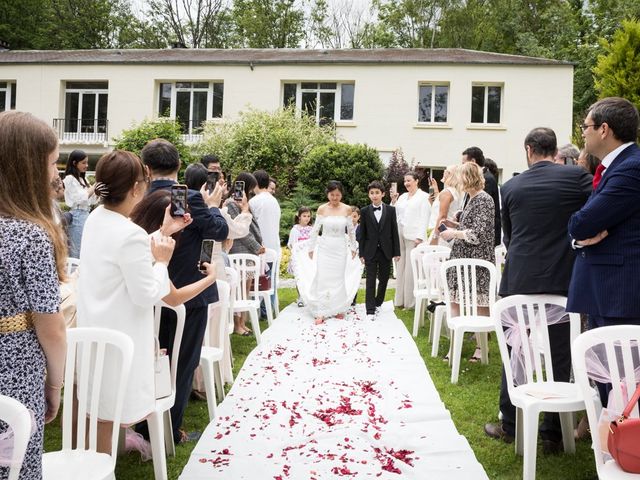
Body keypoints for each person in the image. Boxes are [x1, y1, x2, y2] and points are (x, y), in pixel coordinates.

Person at [77, 150, 200, 453]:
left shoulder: (96, 218)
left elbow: (124, 251)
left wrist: (164, 231)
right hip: (120, 336)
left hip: (95, 328)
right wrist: (162, 261)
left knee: (98, 410)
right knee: (107, 414)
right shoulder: (128, 232)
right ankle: (101, 472)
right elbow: (147, 294)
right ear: (136, 187)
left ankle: (94, 466)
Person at [483, 127, 592, 452]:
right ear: (553, 149)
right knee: (560, 352)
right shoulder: (578, 180)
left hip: (520, 282)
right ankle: (553, 433)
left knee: (515, 352)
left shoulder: (511, 185)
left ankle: (510, 423)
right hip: (562, 279)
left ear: (529, 149)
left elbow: (510, 237)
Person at [142, 139, 228, 444]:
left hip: (147, 292)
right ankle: (169, 431)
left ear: (147, 169)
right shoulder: (191, 198)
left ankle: (142, 425)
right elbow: (220, 231)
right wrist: (214, 207)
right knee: (182, 363)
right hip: (187, 294)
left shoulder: (136, 195)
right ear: (178, 166)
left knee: (151, 358)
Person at [0, 111, 67, 480]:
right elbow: (51, 327)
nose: (55, 173)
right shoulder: (29, 236)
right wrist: (54, 384)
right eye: (53, 162)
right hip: (14, 370)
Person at [439, 162, 495, 362]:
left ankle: (481, 348)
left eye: (460, 176)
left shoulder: (484, 200)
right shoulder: (468, 199)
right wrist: (454, 224)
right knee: (455, 300)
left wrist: (453, 232)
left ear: (468, 177)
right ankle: (454, 345)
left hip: (478, 260)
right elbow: (468, 226)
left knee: (480, 303)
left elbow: (477, 234)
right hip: (461, 257)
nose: (457, 180)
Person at [295, 181, 362, 324]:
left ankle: (337, 308)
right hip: (325, 248)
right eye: (332, 195)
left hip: (340, 248)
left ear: (341, 195)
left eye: (338, 195)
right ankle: (321, 311)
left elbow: (351, 231)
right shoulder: (322, 209)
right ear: (328, 194)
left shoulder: (347, 209)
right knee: (323, 277)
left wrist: (353, 248)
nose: (335, 198)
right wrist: (311, 248)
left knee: (338, 278)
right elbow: (315, 230)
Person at [227, 172, 265, 335]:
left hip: (249, 252)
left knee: (246, 288)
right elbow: (241, 231)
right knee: (239, 289)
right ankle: (237, 324)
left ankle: (242, 322)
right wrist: (256, 246)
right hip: (239, 249)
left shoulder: (244, 202)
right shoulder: (230, 204)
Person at [358, 181, 401, 320]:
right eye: (372, 193)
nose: (374, 195)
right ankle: (369, 309)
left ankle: (378, 302)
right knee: (370, 281)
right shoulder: (364, 211)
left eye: (377, 193)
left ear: (382, 194)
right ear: (369, 195)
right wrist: (361, 253)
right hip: (370, 251)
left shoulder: (390, 210)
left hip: (386, 251)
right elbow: (362, 234)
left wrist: (397, 251)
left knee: (383, 279)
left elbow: (394, 231)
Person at [391, 171, 430, 309]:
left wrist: (420, 236)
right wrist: (393, 201)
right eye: (405, 181)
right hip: (400, 233)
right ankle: (399, 300)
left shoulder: (424, 197)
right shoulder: (402, 197)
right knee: (400, 267)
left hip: (414, 236)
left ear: (416, 181)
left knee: (411, 270)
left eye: (409, 180)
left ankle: (411, 303)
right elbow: (394, 212)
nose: (406, 183)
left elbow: (425, 218)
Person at [249, 169, 281, 317]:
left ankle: (261, 311)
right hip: (274, 243)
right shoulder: (273, 200)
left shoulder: (254, 202)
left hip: (260, 245)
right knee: (271, 279)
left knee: (259, 280)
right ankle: (270, 310)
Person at [462, 147, 501, 246]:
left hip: (481, 239)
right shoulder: (478, 178)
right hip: (473, 235)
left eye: (463, 163)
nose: (462, 167)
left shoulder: (486, 178)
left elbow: (479, 210)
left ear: (473, 161)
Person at [63, 149, 97, 257]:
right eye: (83, 163)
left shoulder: (83, 179)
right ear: (74, 163)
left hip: (86, 214)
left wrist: (97, 191)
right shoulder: (69, 179)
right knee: (77, 249)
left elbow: (91, 200)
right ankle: (73, 273)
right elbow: (80, 198)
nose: (86, 165)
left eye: (87, 162)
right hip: (77, 215)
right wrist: (95, 186)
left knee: (85, 247)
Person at [429, 164, 462, 246]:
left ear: (451, 175)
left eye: (446, 171)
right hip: (449, 232)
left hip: (441, 234)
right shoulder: (455, 192)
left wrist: (435, 237)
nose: (444, 172)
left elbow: (442, 217)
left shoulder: (446, 192)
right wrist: (436, 191)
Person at [287, 206, 313, 308]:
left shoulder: (311, 229)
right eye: (304, 216)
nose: (307, 218)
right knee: (300, 278)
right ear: (299, 217)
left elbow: (313, 242)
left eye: (308, 216)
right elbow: (292, 244)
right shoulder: (295, 230)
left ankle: (309, 297)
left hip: (309, 257)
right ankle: (301, 297)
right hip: (299, 257)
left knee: (309, 276)